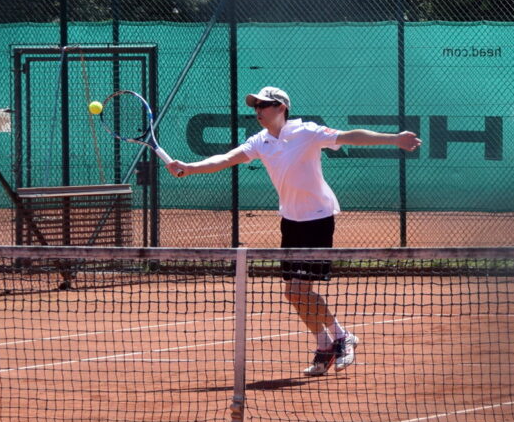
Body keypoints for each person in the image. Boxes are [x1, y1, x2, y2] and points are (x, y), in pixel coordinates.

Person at [166, 86, 422, 377]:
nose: (258, 111)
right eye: (256, 106)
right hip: (290, 221)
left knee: (300, 289)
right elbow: (225, 159)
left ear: (281, 108)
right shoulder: (259, 142)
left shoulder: (307, 132)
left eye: (264, 105)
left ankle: (340, 336)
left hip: (318, 218)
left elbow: (350, 135)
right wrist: (190, 167)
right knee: (293, 293)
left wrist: (395, 139)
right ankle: (326, 344)